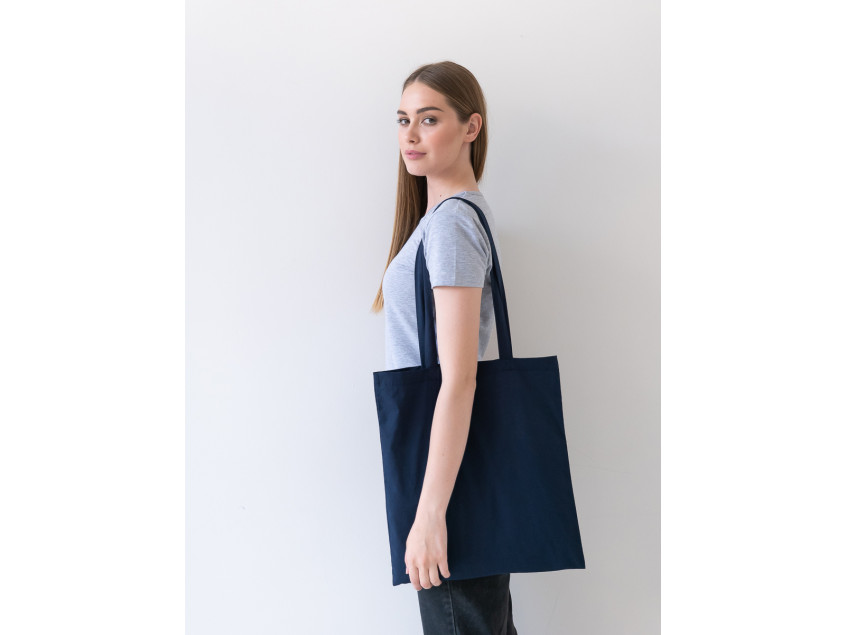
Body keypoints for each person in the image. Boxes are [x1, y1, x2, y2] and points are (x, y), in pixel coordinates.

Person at [371, 61, 519, 635]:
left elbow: (459, 376)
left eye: (429, 119)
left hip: (446, 476)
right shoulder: (440, 219)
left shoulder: (452, 224)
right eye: (403, 119)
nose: (410, 134)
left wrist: (432, 512)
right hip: (445, 463)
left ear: (470, 127)